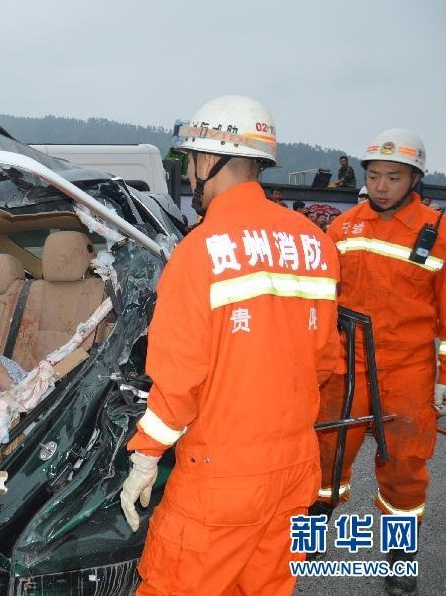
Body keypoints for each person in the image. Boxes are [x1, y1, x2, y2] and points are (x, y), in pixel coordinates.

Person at [119, 95, 340, 594]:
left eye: (190, 161)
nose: (190, 174)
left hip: (220, 481)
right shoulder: (316, 245)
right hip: (294, 470)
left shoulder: (200, 252)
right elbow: (325, 361)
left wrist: (146, 456)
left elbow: (179, 381)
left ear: (209, 161)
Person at [311, 128, 442, 595]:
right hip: (346, 367)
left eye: (394, 176)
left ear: (414, 180)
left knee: (404, 467)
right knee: (326, 455)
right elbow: (322, 299)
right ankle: (313, 532)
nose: (382, 185)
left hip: (407, 372)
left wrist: (442, 382)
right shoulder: (343, 229)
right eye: (374, 175)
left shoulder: (438, 235)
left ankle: (400, 554)